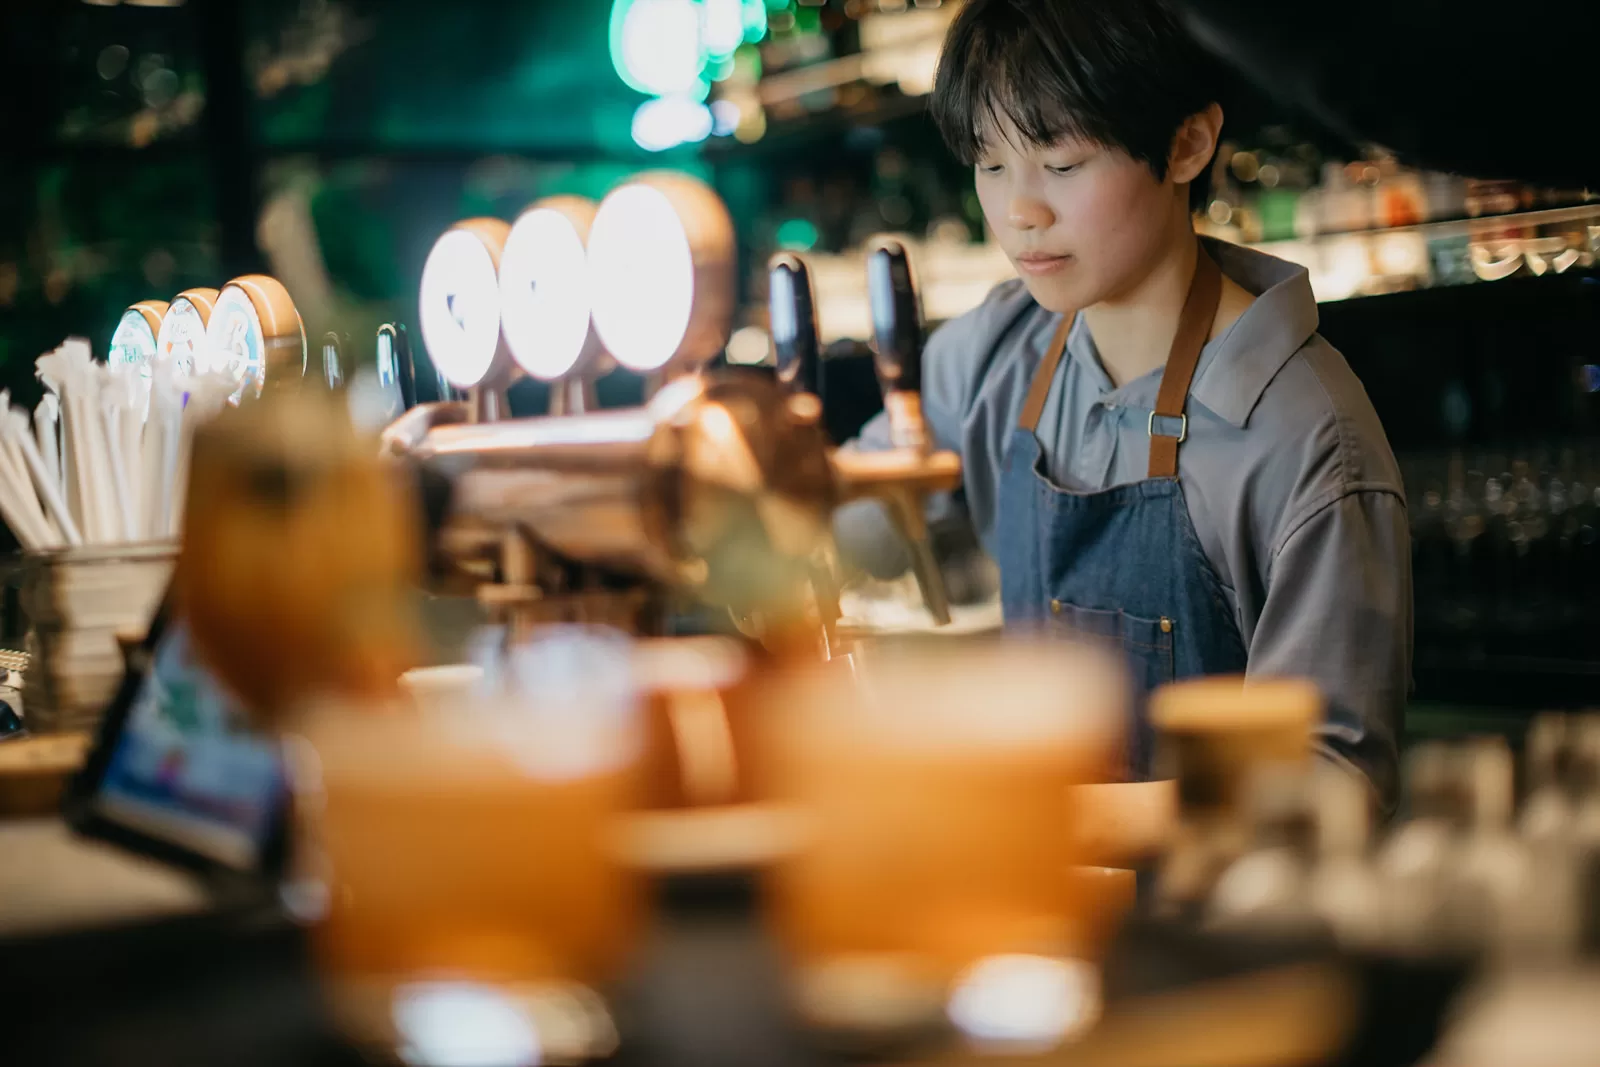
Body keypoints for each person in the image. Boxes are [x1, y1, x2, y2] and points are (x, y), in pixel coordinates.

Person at [837, 0, 1408, 820]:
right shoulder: (997, 351)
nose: (1018, 211)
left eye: (1060, 164)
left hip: (1220, 933)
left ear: (1187, 144)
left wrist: (1060, 822)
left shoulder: (1303, 432)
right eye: (991, 165)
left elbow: (1327, 785)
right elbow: (855, 531)